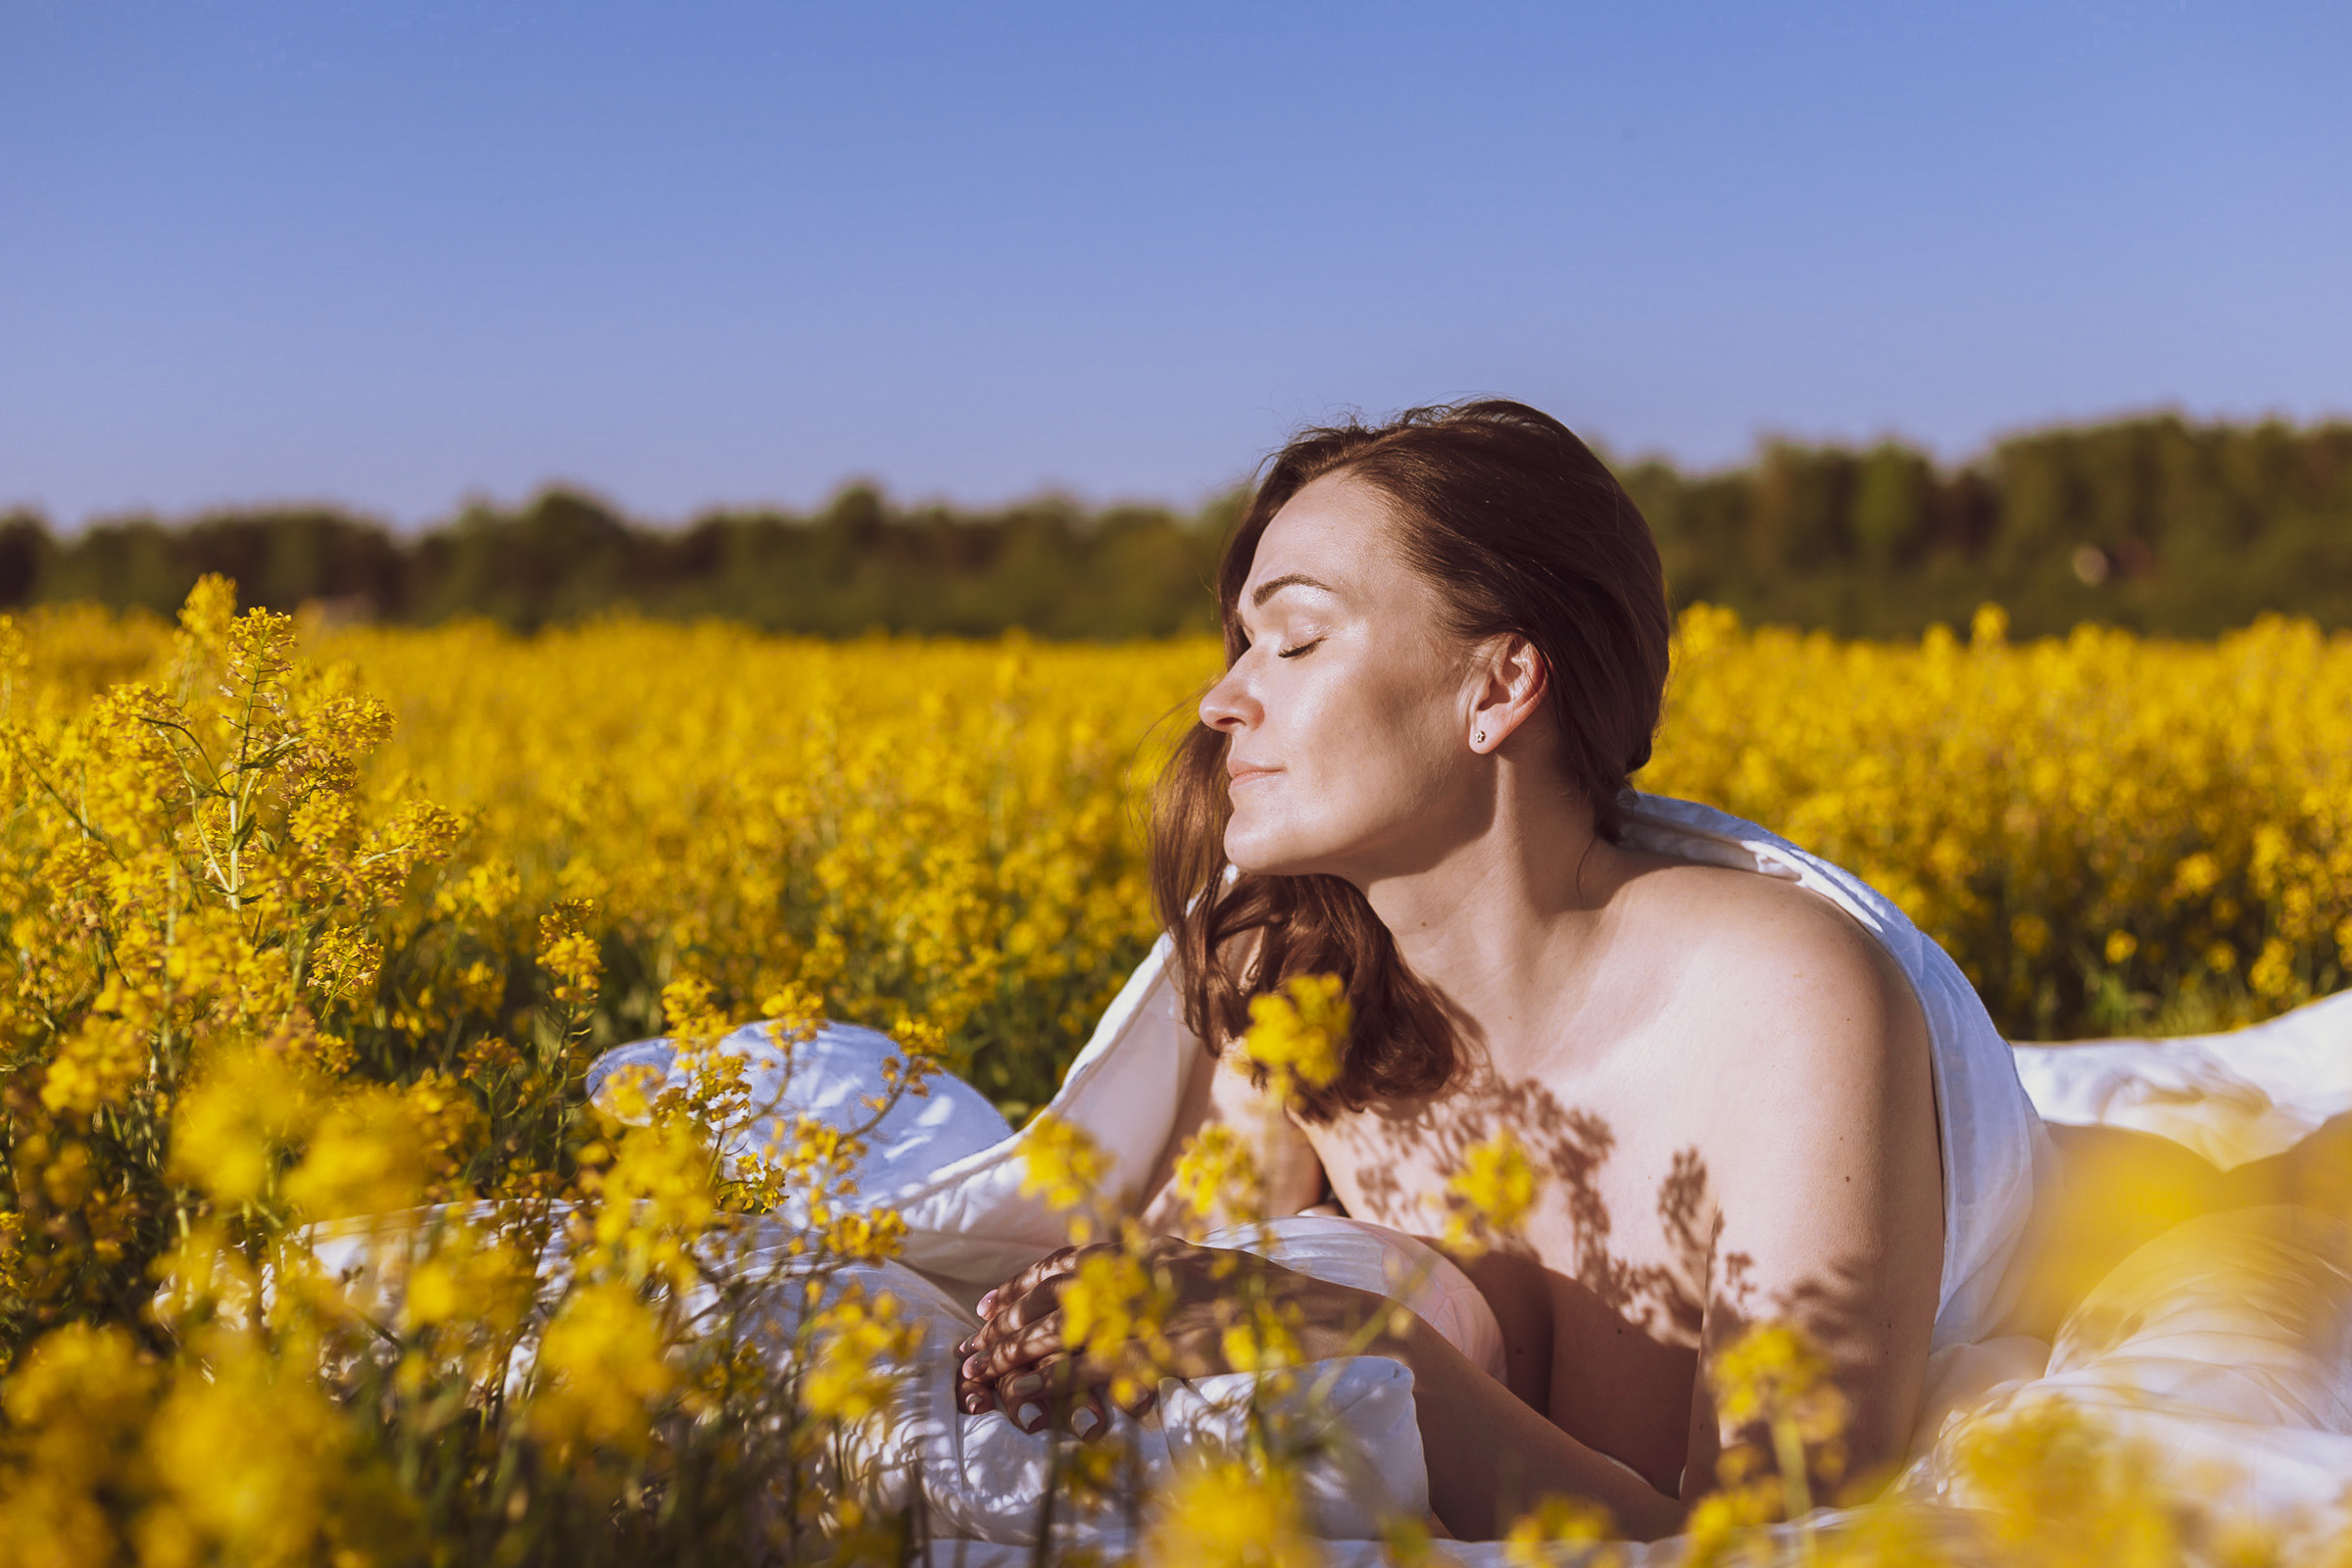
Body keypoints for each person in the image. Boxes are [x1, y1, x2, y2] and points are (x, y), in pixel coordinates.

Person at [944, 401, 2342, 1542]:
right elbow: (1198, 1270)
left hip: (2078, 1218)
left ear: (1497, 690)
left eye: (1295, 638)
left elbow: (1769, 1528)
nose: (1221, 699)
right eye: (1242, 643)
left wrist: (1390, 1359)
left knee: (2263, 1185)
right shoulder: (1290, 976)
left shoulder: (1789, 1002)